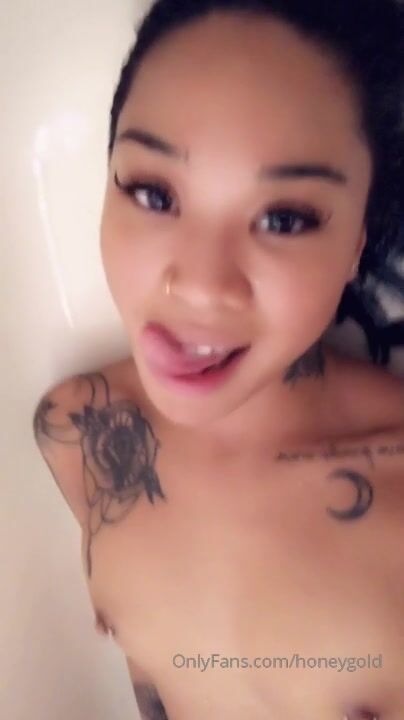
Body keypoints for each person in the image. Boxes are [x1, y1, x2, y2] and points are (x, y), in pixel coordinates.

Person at [33, 1, 404, 718]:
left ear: (358, 242)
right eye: (152, 193)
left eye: (284, 219)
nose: (200, 284)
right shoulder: (76, 430)